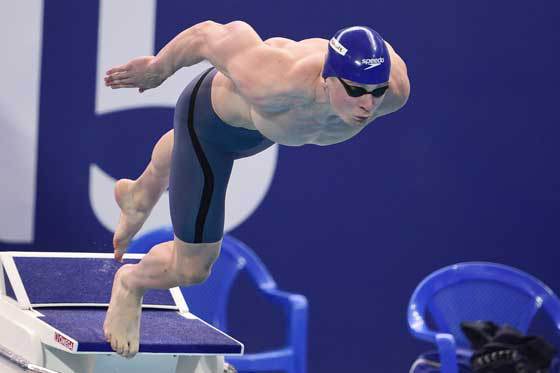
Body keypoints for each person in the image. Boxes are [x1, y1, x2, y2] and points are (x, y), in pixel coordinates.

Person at [103, 21, 410, 358]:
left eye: (376, 90)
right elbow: (207, 35)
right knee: (193, 269)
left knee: (187, 148)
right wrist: (157, 69)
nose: (368, 104)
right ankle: (130, 284)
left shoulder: (394, 90)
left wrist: (371, 88)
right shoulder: (275, 78)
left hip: (259, 129)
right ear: (328, 77)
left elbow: (373, 83)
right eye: (355, 90)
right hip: (209, 121)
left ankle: (138, 195)